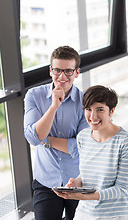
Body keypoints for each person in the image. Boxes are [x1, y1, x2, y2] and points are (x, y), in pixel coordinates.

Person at [53, 85, 128, 220]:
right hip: (86, 211)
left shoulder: (126, 142)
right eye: (88, 109)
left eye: (100, 110)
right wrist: (77, 183)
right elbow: (86, 176)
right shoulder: (83, 137)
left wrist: (84, 196)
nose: (93, 116)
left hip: (115, 214)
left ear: (111, 111)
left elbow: (121, 189)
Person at [24, 46, 89, 220]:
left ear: (77, 72)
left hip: (78, 181)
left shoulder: (85, 102)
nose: (62, 77)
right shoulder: (34, 96)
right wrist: (54, 106)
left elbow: (83, 146)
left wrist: (47, 140)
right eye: (57, 70)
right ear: (50, 71)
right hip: (46, 183)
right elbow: (32, 137)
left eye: (68, 71)